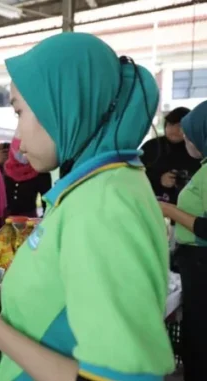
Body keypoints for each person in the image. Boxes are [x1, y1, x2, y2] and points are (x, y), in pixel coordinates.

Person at [0, 33, 174, 381]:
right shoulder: (90, 187)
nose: (16, 137)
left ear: (63, 104)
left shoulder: (104, 204)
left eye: (19, 111)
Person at [159, 100, 207, 381]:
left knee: (199, 340)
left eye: (189, 135)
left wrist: (168, 210)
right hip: (194, 261)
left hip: (202, 264)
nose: (186, 141)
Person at [142, 106, 200, 204]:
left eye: (179, 125)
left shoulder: (196, 149)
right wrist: (159, 179)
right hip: (154, 204)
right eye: (170, 124)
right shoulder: (151, 147)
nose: (173, 129)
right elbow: (135, 173)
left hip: (188, 206)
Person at [3, 136, 52, 217]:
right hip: (4, 221)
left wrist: (43, 220)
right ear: (13, 149)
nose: (24, 154)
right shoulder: (5, 168)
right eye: (20, 149)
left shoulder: (40, 171)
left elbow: (46, 202)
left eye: (28, 150)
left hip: (28, 221)